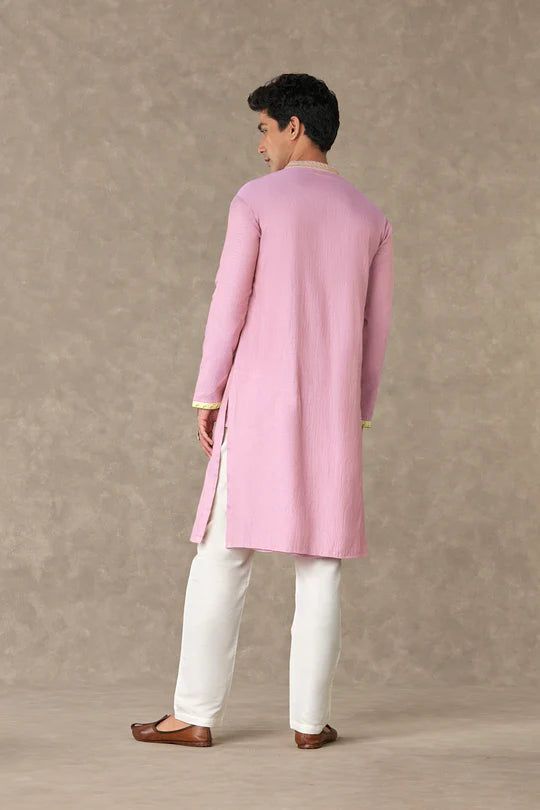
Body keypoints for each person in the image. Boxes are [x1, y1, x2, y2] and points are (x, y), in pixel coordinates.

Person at [131, 73, 394, 750]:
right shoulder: (371, 217)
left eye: (263, 129)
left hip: (257, 401)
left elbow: (230, 301)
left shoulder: (256, 199)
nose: (260, 146)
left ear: (293, 127)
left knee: (223, 554)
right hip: (331, 413)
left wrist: (208, 393)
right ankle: (309, 724)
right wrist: (357, 411)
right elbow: (376, 330)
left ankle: (194, 714)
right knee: (322, 564)